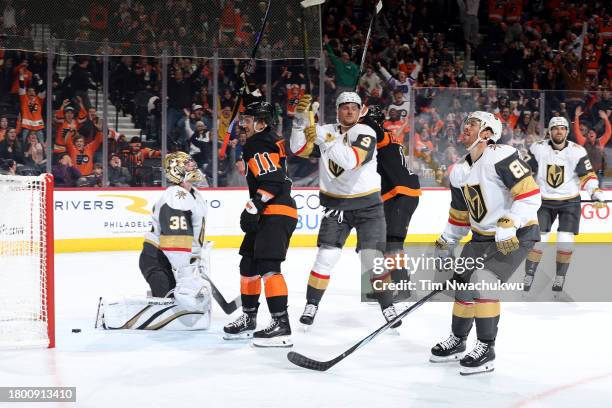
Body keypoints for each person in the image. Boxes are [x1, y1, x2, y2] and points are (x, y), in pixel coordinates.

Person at [431, 111, 541, 375]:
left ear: (487, 133)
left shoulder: (501, 155)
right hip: (481, 237)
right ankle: (458, 341)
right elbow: (460, 214)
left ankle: (486, 347)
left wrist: (510, 222)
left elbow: (530, 195)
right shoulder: (458, 171)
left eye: (473, 123)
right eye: (465, 121)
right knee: (463, 286)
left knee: (484, 282)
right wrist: (448, 239)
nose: (465, 126)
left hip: (517, 234)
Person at [290, 91, 398, 328]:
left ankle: (388, 307)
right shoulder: (326, 130)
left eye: (354, 107)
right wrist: (299, 122)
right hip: (335, 206)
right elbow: (298, 149)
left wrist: (325, 140)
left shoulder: (366, 132)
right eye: (344, 107)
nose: (349, 111)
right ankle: (312, 305)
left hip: (368, 207)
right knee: (325, 258)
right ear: (337, 110)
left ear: (361, 111)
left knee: (373, 261)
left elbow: (351, 161)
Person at [99, 151, 211, 330]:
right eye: (188, 164)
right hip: (158, 261)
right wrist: (187, 274)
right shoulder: (175, 197)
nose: (193, 166)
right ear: (177, 170)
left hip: (168, 259)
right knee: (170, 312)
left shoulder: (194, 194)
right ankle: (119, 316)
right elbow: (175, 242)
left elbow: (192, 237)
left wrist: (197, 261)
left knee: (178, 306)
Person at [223, 101, 297, 348]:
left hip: (275, 211)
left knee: (268, 266)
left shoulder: (258, 142)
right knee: (249, 263)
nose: (242, 124)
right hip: (271, 211)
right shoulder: (266, 139)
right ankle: (249, 318)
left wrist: (254, 205)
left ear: (262, 122)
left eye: (248, 120)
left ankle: (281, 324)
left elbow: (273, 181)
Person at [522, 117, 607, 292]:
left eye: (562, 128)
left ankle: (560, 277)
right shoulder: (538, 148)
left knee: (565, 240)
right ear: (549, 131)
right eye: (555, 128)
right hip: (544, 201)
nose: (559, 131)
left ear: (567, 131)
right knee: (539, 240)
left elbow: (588, 176)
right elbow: (523, 170)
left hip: (570, 201)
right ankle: (529, 275)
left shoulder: (577, 151)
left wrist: (595, 193)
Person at [362, 106, 421, 301]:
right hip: (393, 194)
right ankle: (384, 288)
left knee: (393, 241)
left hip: (402, 192)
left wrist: (361, 118)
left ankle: (403, 288)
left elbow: (375, 130)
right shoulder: (380, 139)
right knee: (383, 243)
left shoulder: (384, 135)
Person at [573, 107, 611, 185]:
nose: (591, 133)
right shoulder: (583, 141)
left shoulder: (600, 142)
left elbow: (608, 132)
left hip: (598, 173)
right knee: (585, 193)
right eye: (589, 133)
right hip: (585, 173)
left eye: (593, 132)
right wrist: (576, 117)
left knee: (598, 194)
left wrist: (606, 119)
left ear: (596, 135)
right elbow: (576, 131)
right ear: (587, 135)